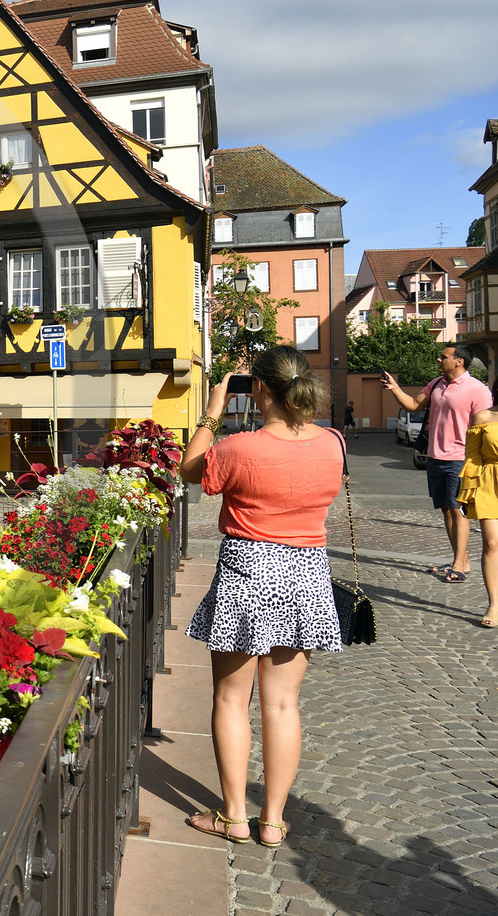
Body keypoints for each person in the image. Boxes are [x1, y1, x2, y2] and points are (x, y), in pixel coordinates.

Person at [179, 348, 344, 850]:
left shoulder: (239, 447)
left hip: (249, 572)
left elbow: (189, 471)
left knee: (232, 698)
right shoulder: (333, 442)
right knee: (283, 704)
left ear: (260, 391)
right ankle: (271, 821)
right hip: (307, 574)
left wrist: (212, 409)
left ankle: (233, 817)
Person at [383, 344, 493, 583]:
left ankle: (460, 566)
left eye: (444, 356)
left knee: (458, 509)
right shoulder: (436, 384)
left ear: (459, 362)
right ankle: (460, 559)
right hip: (435, 456)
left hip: (461, 458)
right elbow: (413, 404)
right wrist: (395, 389)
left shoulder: (477, 389)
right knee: (445, 508)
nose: (438, 359)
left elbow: (485, 426)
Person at [457, 401, 498, 628]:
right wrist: (467, 491)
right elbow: (472, 457)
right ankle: (494, 604)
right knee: (492, 543)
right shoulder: (483, 418)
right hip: (490, 483)